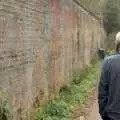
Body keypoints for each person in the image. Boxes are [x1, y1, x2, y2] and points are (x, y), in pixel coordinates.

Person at [98, 32, 120, 120]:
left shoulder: (108, 62)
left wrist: (104, 114)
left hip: (112, 115)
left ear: (117, 43)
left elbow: (102, 92)